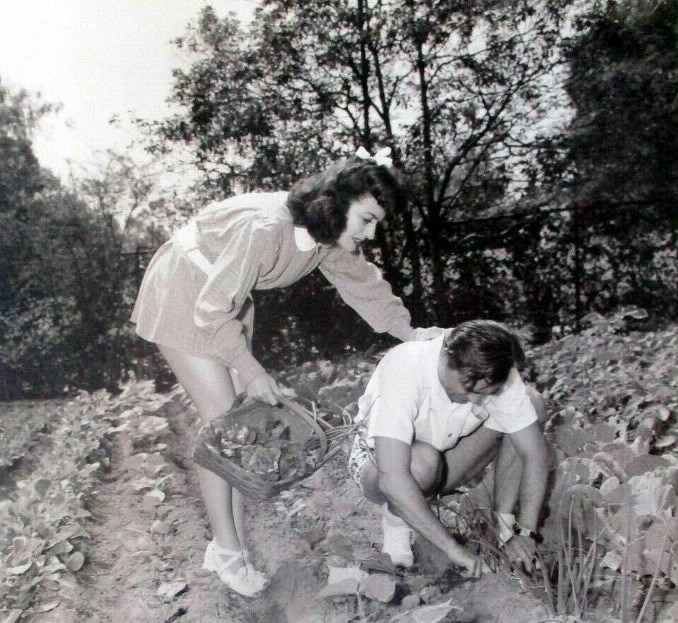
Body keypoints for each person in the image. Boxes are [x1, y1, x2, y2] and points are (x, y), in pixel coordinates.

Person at [132, 147, 441, 597]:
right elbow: (212, 308)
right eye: (368, 220)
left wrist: (410, 333)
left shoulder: (327, 238)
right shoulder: (267, 230)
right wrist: (250, 368)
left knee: (237, 428)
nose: (371, 234)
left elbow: (364, 285)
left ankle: (225, 547)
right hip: (189, 290)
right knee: (225, 425)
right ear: (338, 204)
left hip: (224, 296)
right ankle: (227, 552)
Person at [349, 320, 550, 577]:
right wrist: (454, 550)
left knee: (531, 405)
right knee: (420, 463)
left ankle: (503, 527)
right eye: (469, 389)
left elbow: (534, 454)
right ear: (446, 358)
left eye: (486, 392)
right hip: (381, 467)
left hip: (445, 457)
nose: (478, 401)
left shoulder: (493, 369)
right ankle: (396, 521)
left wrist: (526, 532)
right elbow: (392, 477)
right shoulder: (406, 366)